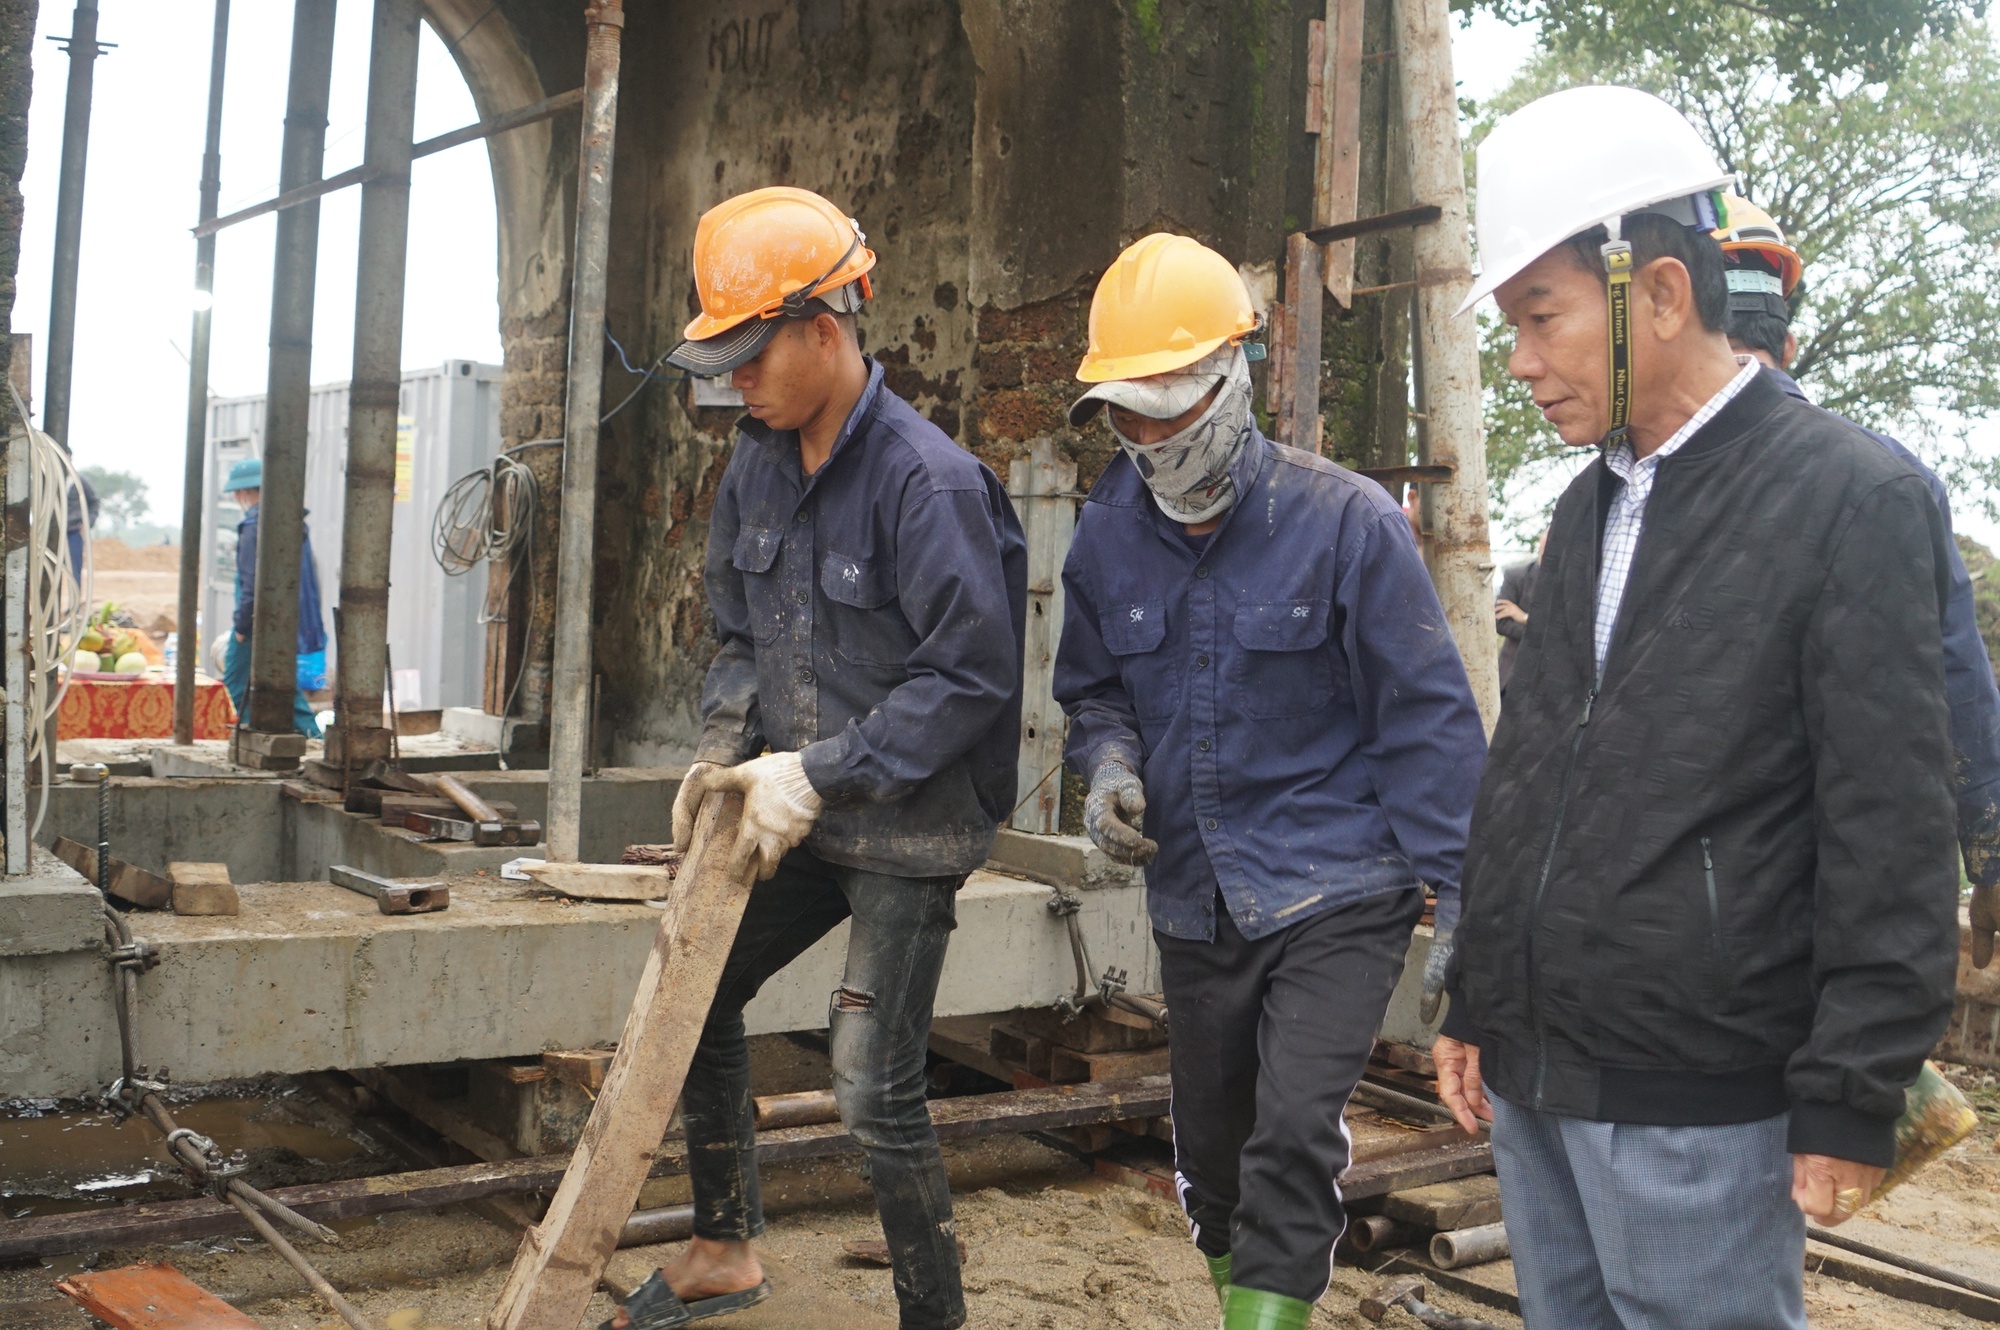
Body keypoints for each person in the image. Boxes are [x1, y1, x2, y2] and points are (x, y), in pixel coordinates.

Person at [1432, 86, 1961, 1330]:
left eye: (1539, 318)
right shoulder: (1584, 510)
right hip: (1538, 1076)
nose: (1516, 361)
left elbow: (1888, 818)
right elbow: (1527, 772)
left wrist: (1848, 1089)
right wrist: (1474, 997)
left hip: (1699, 1092)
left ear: (1659, 293)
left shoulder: (1849, 496)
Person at [1052, 234, 1486, 1330]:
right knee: (1211, 1150)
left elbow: (1426, 727)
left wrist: (1469, 906)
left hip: (1336, 885)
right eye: (1123, 412)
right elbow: (1093, 688)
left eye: (1166, 407)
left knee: (1293, 1127)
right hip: (1196, 894)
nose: (1146, 437)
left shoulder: (1346, 524)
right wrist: (1105, 767)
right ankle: (1246, 1292)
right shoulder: (1105, 532)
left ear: (1231, 378)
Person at [609, 187, 1025, 1330]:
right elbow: (737, 633)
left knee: (868, 1087)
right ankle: (721, 1246)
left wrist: (816, 772)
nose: (736, 382)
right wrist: (718, 756)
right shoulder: (754, 462)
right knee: (692, 993)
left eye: (750, 358)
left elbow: (969, 680)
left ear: (823, 332)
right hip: (796, 801)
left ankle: (930, 1317)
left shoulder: (926, 482)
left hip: (907, 816)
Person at [1714, 193, 2000, 969]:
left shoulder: (1635, 480)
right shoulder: (1891, 477)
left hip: (1676, 897)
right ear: (1792, 341)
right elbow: (1955, 674)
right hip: (1834, 881)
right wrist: (1989, 841)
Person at [223, 456, 325, 738]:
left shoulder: (253, 527)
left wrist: (243, 626)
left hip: (258, 620)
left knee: (236, 682)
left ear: (243, 492)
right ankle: (313, 740)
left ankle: (248, 738)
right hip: (285, 617)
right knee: (284, 685)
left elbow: (251, 583)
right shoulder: (290, 522)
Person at [1493, 528, 1545, 693]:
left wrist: (1523, 617)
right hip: (1511, 676)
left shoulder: (1567, 583)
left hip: (1546, 682)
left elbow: (1564, 629)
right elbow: (1500, 622)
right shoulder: (1516, 576)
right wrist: (1540, 631)